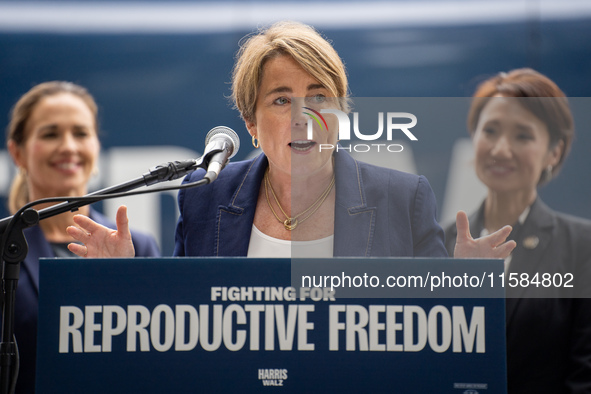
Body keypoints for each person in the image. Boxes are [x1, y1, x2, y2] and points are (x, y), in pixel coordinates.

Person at [68, 21, 515, 261]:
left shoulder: (402, 199)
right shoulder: (207, 199)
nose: (304, 117)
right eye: (282, 100)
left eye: (319, 97)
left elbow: (435, 336)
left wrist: (466, 288)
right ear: (251, 125)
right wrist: (122, 280)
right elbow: (184, 326)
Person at [5, 81, 160, 394]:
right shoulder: (3, 247)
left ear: (96, 147)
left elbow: (155, 358)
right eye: (50, 134)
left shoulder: (139, 247)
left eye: (80, 133)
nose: (68, 146)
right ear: (17, 153)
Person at [444, 69, 591, 393]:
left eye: (522, 135)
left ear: (554, 151)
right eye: (490, 131)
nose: (500, 149)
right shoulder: (437, 243)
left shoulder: (582, 247)